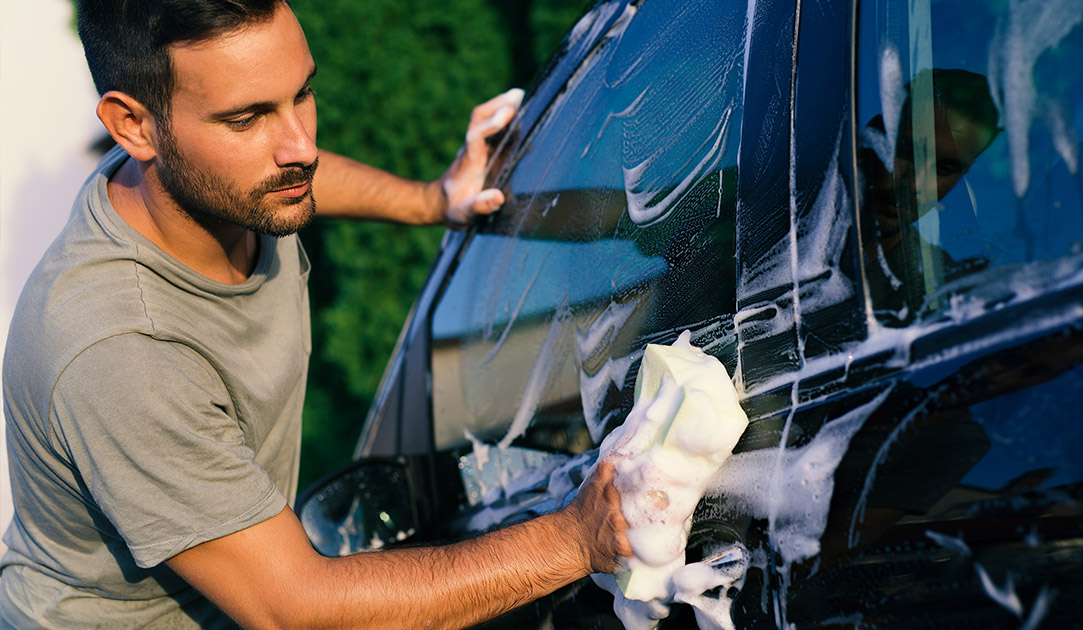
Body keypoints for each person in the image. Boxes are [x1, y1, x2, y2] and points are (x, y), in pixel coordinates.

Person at [0, 1, 630, 628]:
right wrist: (575, 539)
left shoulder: (214, 184)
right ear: (133, 126)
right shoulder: (120, 349)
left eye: (301, 95)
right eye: (247, 118)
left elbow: (297, 177)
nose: (301, 146)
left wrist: (432, 200)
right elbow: (297, 608)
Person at [858, 68, 1001, 324]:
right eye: (907, 152)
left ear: (961, 176)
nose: (914, 183)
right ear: (874, 134)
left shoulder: (940, 297)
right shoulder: (785, 228)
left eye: (944, 169)